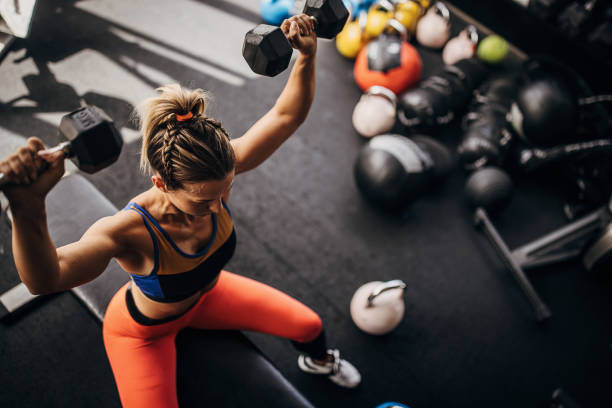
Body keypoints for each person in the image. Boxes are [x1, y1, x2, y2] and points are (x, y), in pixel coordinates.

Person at [0, 14, 361, 408]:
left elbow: (285, 116)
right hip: (145, 332)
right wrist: (27, 206)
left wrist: (307, 57)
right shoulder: (126, 231)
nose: (216, 206)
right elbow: (46, 278)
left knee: (309, 325)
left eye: (225, 191)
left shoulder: (217, 173)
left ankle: (318, 361)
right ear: (161, 183)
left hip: (208, 297)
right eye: (203, 201)